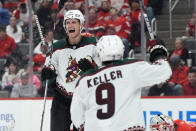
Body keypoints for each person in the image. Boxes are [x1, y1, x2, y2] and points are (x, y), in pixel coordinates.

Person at [70, 35, 172, 130]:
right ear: (122, 50)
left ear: (100, 52)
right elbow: (164, 72)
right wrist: (158, 54)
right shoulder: (132, 67)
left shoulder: (85, 80)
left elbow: (76, 115)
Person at [41, 10, 100, 131]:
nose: (71, 25)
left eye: (74, 22)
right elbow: (49, 70)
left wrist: (92, 69)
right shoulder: (56, 47)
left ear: (81, 25)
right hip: (61, 100)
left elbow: (103, 70)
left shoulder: (94, 44)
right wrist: (48, 74)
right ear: (64, 26)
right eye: (68, 23)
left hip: (85, 99)